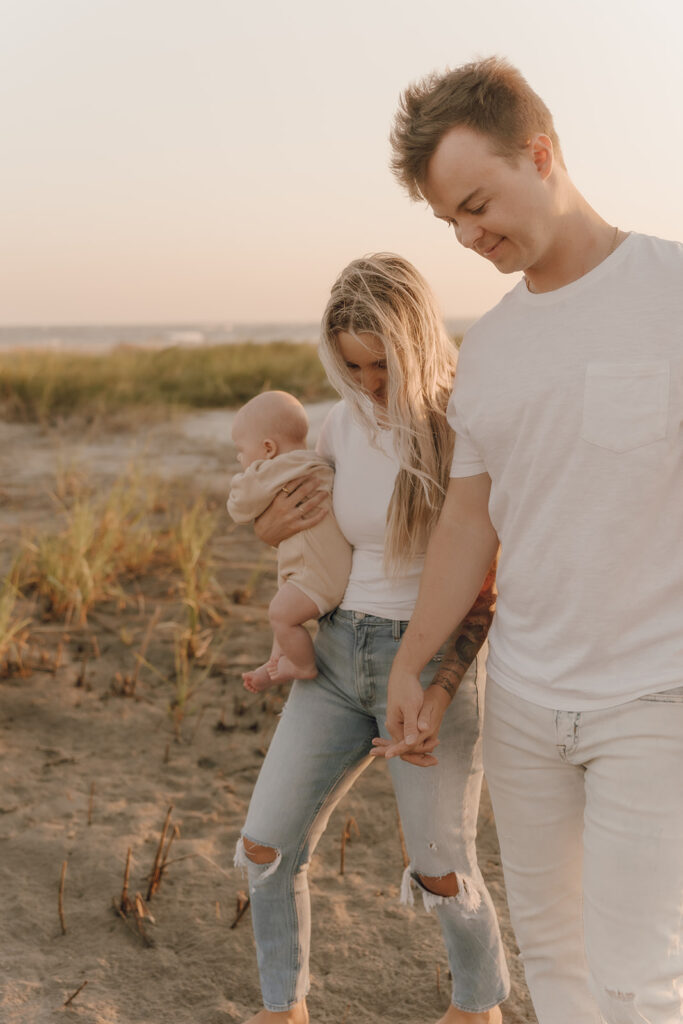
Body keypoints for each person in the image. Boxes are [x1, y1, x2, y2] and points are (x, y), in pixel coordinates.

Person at [375, 56, 683, 1024]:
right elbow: (471, 520)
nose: (468, 237)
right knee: (553, 957)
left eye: (477, 203)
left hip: (656, 694)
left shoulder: (670, 288)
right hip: (524, 698)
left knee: (637, 976)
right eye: (448, 223)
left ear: (539, 153)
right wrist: (417, 661)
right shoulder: (493, 347)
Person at [233, 253, 509, 1024]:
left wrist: (439, 681)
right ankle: (282, 1007)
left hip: (422, 663)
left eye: (381, 363)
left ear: (416, 341)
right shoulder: (338, 423)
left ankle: (475, 1006)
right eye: (350, 364)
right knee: (263, 847)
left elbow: (487, 581)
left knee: (442, 868)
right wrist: (266, 526)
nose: (367, 382)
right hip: (330, 658)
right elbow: (310, 535)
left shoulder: (463, 422)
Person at [228, 390, 352, 691]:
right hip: (324, 569)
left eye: (241, 451)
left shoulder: (272, 470)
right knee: (284, 619)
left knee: (280, 614)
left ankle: (303, 665)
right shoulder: (317, 463)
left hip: (314, 574)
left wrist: (244, 479)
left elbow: (239, 508)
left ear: (268, 448)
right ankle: (274, 664)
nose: (240, 458)